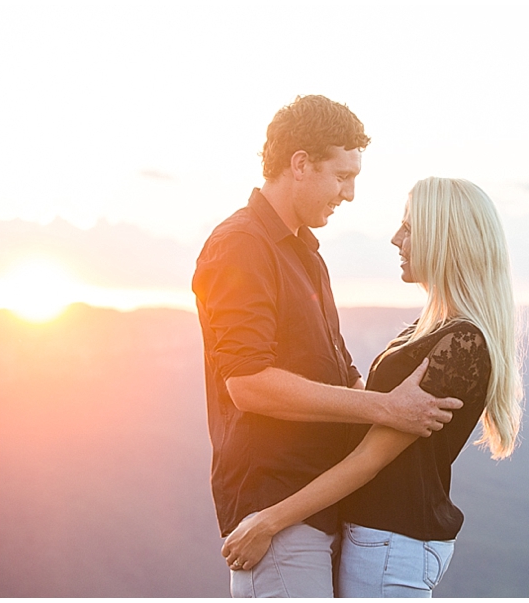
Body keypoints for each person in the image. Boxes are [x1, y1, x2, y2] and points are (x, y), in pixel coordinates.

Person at [191, 96, 463, 598]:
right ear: (300, 164)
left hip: (318, 507)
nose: (350, 194)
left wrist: (401, 408)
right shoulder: (241, 244)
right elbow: (247, 383)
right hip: (274, 509)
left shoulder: (306, 254)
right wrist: (385, 407)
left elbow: (336, 369)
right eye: (342, 176)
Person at [221, 177, 524, 597]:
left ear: (444, 239)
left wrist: (269, 520)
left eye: (410, 228)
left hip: (391, 546)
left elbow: (369, 459)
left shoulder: (461, 344)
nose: (397, 239)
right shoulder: (435, 331)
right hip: (385, 543)